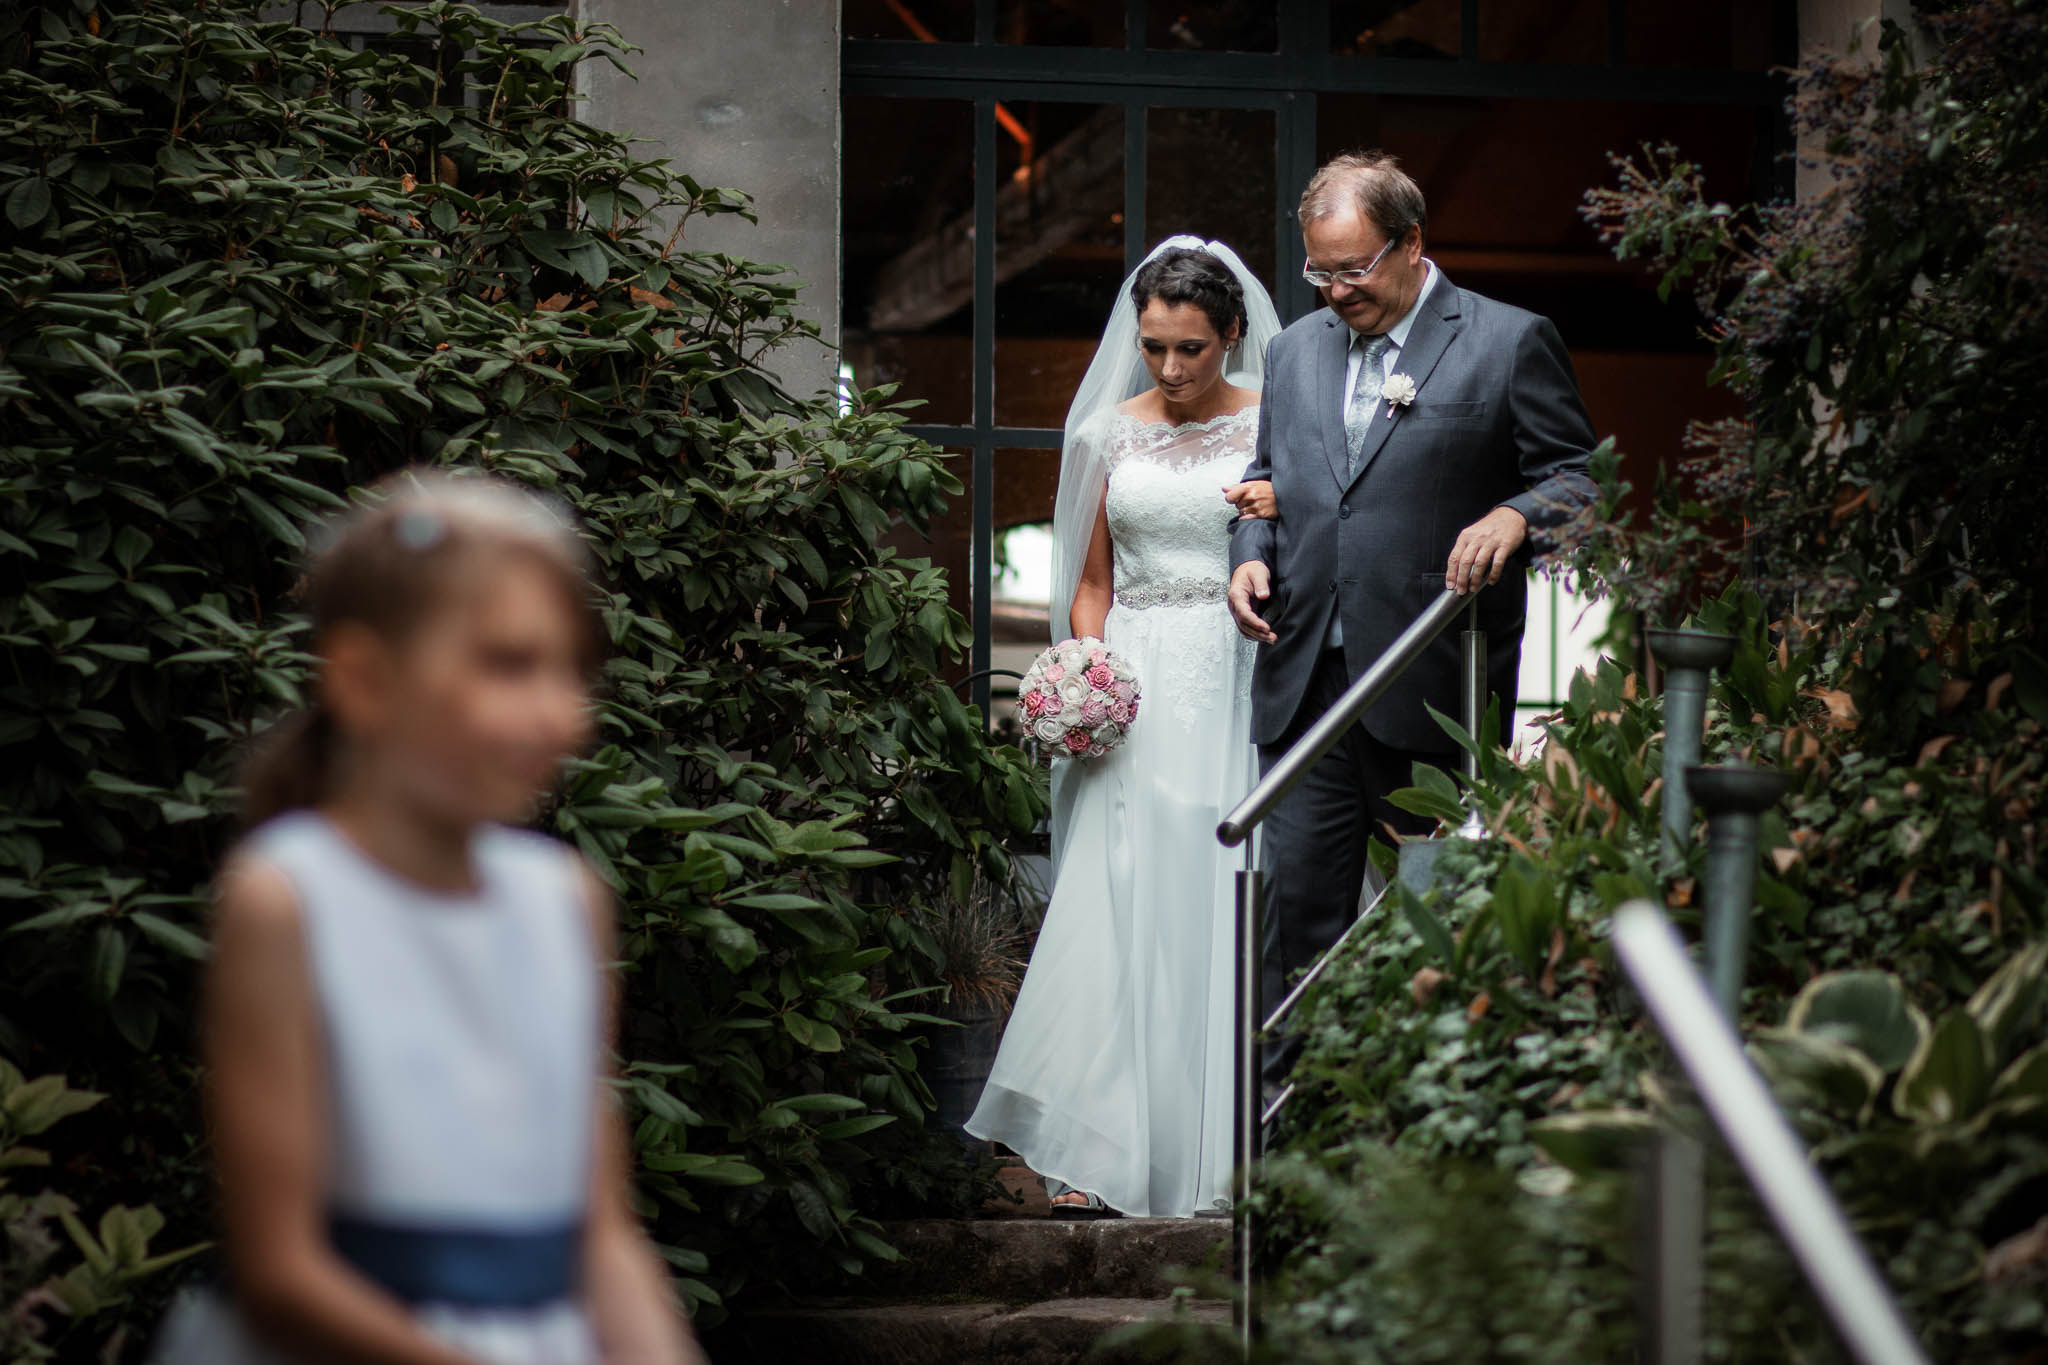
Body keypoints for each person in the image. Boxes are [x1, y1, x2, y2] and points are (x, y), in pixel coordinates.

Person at [153, 475, 702, 1365]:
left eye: (570, 669)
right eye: (509, 664)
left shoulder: (563, 900)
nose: (561, 712)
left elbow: (602, 1230)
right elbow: (279, 1267)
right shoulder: (288, 898)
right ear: (364, 679)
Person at [1226, 152, 1598, 1087]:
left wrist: (1517, 513)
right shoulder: (1293, 351)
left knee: (1441, 928)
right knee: (1298, 936)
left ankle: (1428, 1140)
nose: (1337, 290)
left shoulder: (1508, 342)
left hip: (1437, 695)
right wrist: (1246, 560)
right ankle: (1294, 1161)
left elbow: (1582, 482)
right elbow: (1264, 489)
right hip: (1307, 690)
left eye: (1355, 268)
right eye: (1320, 270)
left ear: (1413, 243)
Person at [965, 239, 1282, 1218]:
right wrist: (1083, 668)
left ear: (1231, 334)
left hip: (1233, 676)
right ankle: (1096, 1151)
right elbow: (1091, 583)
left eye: (1191, 348)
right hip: (1134, 688)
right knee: (1117, 901)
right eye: (1154, 347)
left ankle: (1221, 1154)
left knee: (1215, 895)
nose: (1173, 370)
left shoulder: (1274, 428)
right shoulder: (1107, 432)